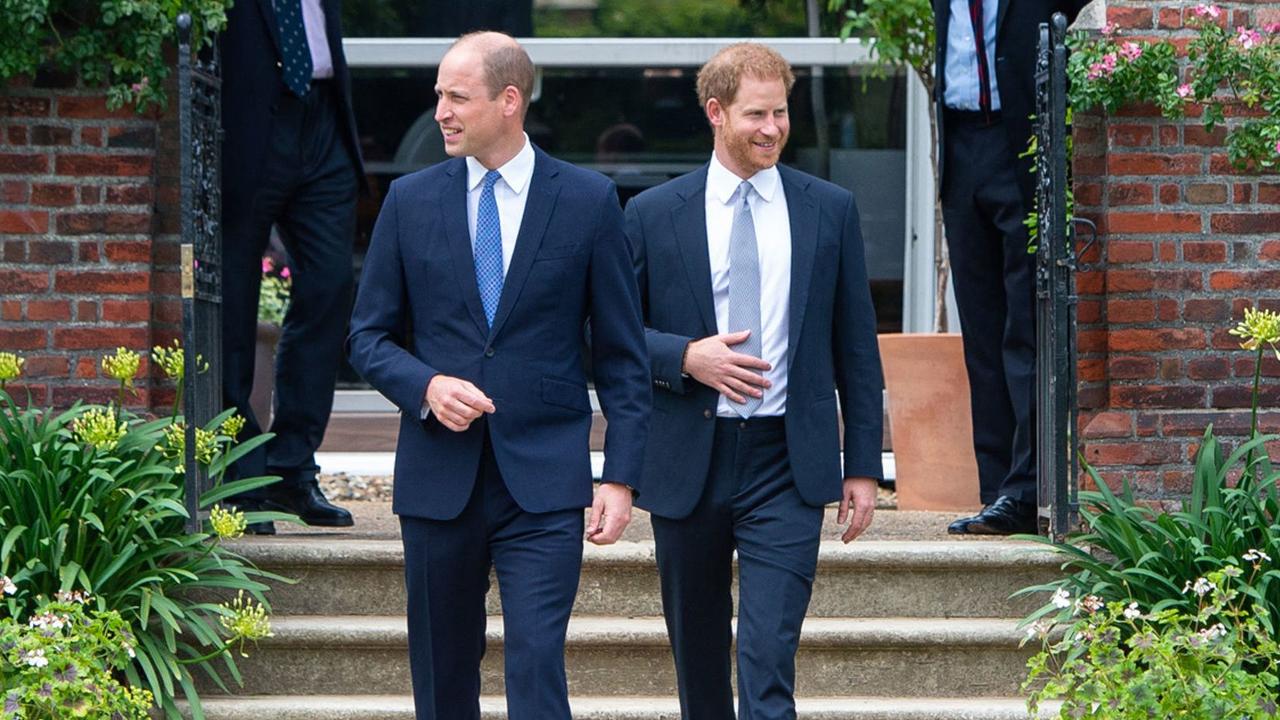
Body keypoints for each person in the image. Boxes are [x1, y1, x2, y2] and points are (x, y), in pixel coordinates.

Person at [346, 32, 651, 720]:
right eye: (438, 96)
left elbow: (623, 358)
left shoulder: (587, 200)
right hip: (437, 479)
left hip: (543, 483)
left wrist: (622, 476)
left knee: (538, 668)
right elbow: (365, 338)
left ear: (509, 101)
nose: (441, 113)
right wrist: (425, 386)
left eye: (457, 97)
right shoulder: (409, 200)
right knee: (444, 676)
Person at [625, 43, 884, 720]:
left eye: (781, 112)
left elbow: (856, 346)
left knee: (767, 662)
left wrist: (863, 465)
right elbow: (610, 337)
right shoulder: (654, 214)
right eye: (756, 114)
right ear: (716, 112)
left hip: (785, 461)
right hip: (689, 458)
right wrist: (687, 357)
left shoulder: (828, 209)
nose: (772, 128)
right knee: (701, 666)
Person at [934, 0, 1090, 535]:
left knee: (1025, 326)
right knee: (980, 333)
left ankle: (1026, 491)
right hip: (960, 151)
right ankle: (995, 489)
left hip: (1021, 146)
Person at [220, 0, 364, 533]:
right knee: (234, 303)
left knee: (329, 287)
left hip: (323, 120)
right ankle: (240, 475)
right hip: (250, 126)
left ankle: (291, 467)